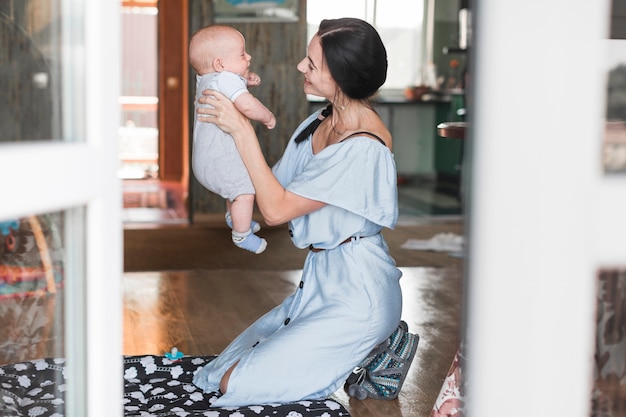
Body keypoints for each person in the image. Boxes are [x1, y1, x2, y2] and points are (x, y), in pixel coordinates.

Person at [192, 18, 416, 407]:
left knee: (235, 384)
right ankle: (367, 348)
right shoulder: (320, 120)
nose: (301, 67)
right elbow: (270, 189)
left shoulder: (362, 148)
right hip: (318, 285)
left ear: (342, 77)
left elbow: (276, 211)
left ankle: (377, 344)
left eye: (311, 64)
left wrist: (242, 131)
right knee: (217, 373)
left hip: (358, 293)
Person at [189, 25, 276, 254]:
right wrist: (267, 116)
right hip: (219, 157)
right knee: (245, 190)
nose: (249, 57)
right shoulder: (226, 79)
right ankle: (242, 234)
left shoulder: (206, 79)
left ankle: (236, 217)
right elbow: (247, 105)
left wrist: (244, 80)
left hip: (205, 160)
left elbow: (227, 85)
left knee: (236, 187)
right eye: (242, 54)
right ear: (220, 65)